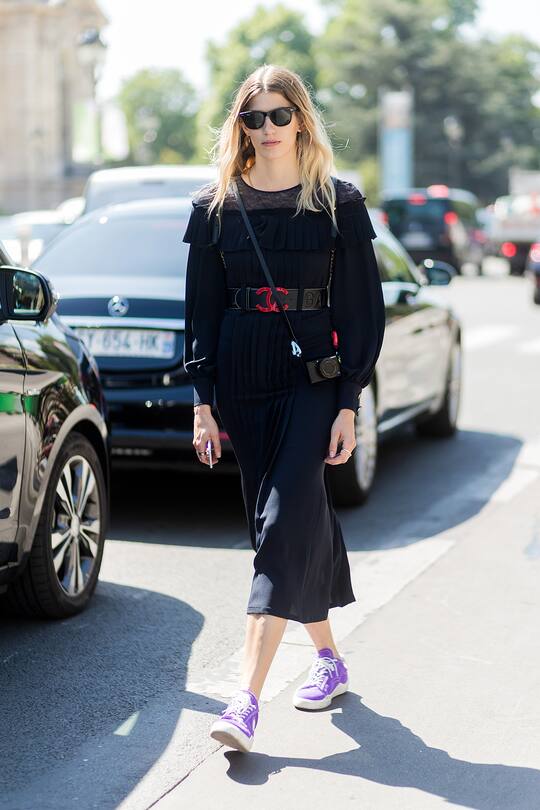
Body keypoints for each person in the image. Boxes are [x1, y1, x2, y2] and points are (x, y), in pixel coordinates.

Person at [182, 64, 385, 753]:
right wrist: (204, 402)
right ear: (239, 126)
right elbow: (201, 313)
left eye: (278, 114)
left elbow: (360, 311)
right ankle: (329, 657)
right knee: (288, 524)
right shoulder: (215, 206)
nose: (266, 128)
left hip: (310, 379)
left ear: (300, 119)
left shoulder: (337, 203)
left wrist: (348, 402)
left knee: (281, 521)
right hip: (242, 378)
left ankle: (244, 699)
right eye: (253, 117)